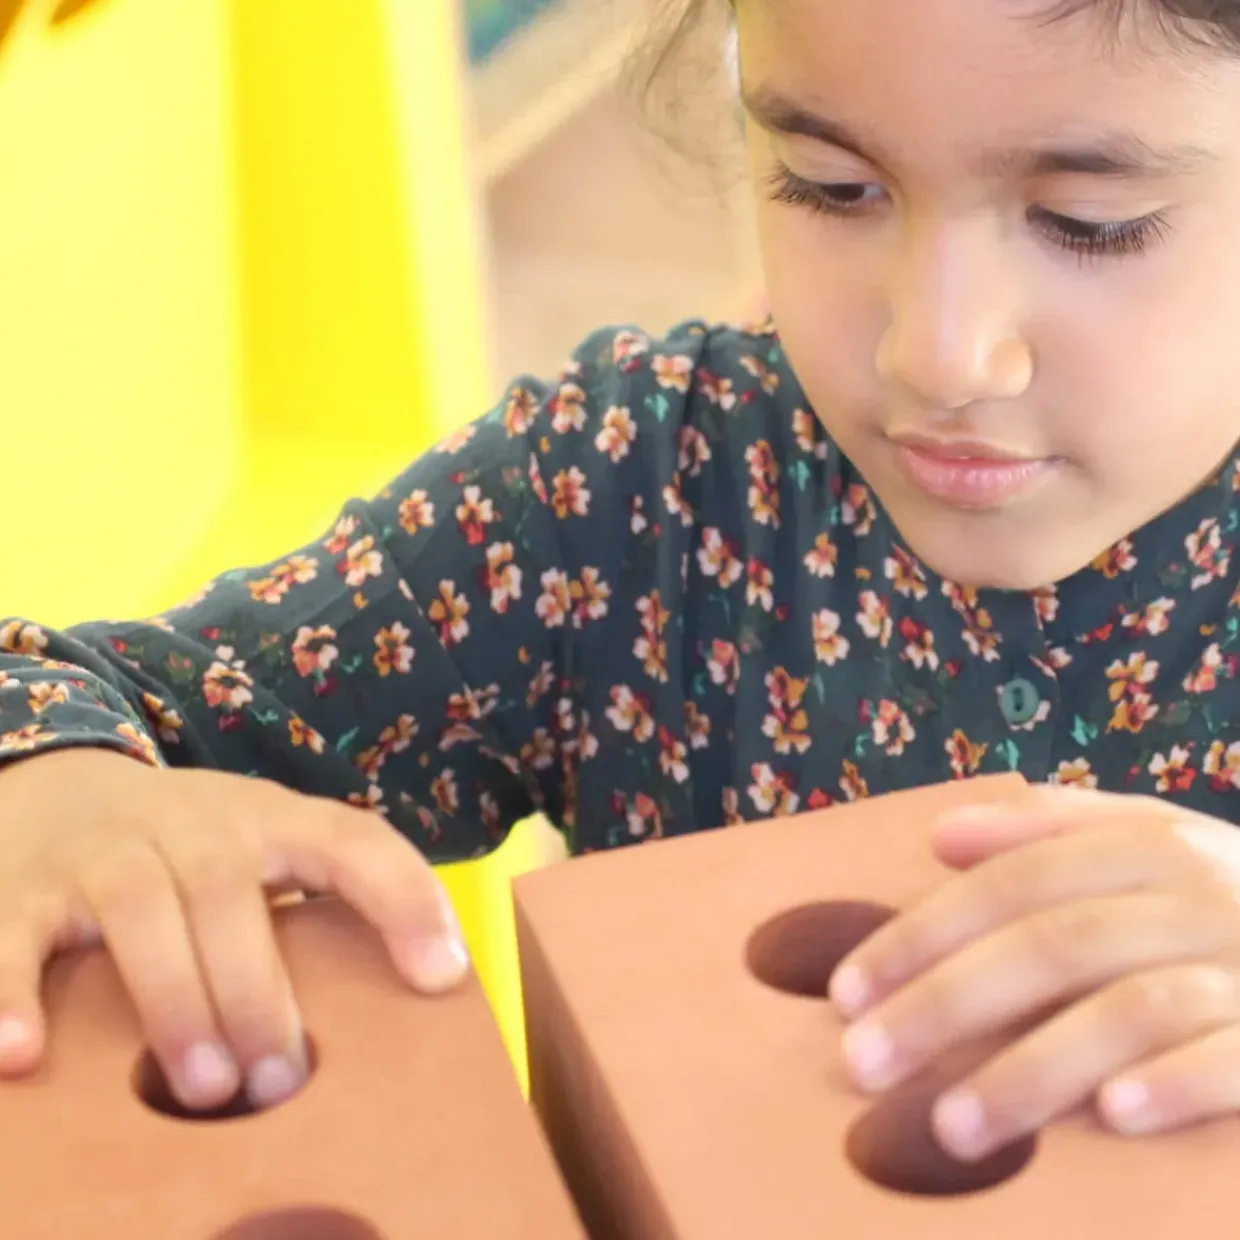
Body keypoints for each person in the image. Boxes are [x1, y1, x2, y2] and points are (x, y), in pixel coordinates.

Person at [3, 0, 1240, 1166]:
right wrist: (60, 790)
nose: (938, 353)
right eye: (830, 185)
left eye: (1089, 222)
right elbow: (71, 692)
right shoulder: (631, 490)